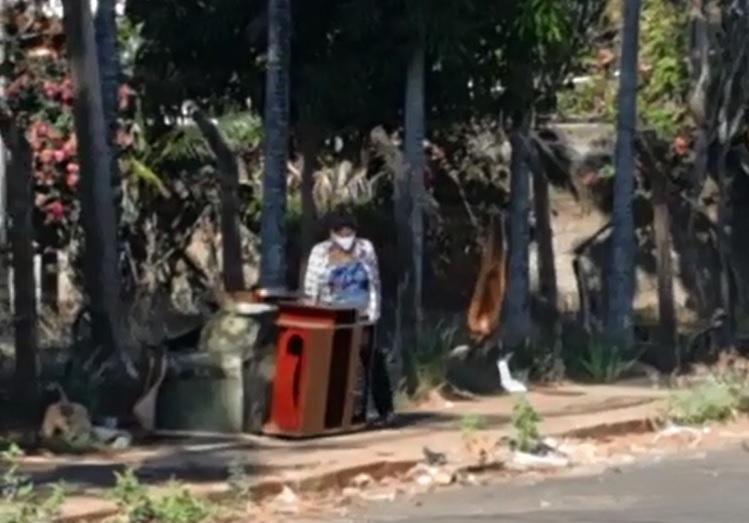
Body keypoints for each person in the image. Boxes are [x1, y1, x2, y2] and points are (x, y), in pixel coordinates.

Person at [302, 207, 395, 424]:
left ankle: (385, 410)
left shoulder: (365, 249)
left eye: (348, 232)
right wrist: (311, 313)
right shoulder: (320, 253)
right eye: (340, 232)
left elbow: (374, 282)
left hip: (362, 315)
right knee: (334, 366)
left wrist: (373, 314)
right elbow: (312, 285)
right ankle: (333, 414)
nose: (345, 237)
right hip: (331, 316)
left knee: (372, 361)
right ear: (331, 233)